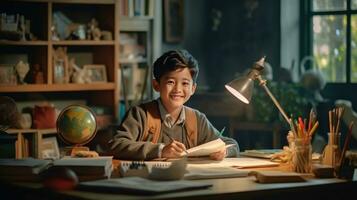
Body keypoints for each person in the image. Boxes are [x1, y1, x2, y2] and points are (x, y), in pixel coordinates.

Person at [109, 49, 239, 160]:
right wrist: (160, 150)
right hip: (148, 181)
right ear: (156, 85)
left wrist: (224, 151)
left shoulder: (197, 119)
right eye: (170, 82)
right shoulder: (140, 114)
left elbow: (232, 144)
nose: (178, 89)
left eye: (185, 83)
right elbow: (116, 145)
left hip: (187, 182)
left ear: (193, 89)